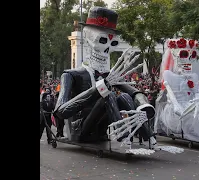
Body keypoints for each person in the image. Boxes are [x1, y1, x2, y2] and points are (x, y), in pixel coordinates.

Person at [53, 7, 158, 147]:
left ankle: (148, 136)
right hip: (80, 128)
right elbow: (60, 112)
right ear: (87, 37)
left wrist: (143, 104)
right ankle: (124, 137)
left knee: (124, 97)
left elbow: (134, 93)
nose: (107, 49)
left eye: (113, 43)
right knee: (107, 95)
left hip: (100, 128)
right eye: (102, 41)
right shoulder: (71, 75)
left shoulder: (109, 76)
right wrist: (99, 88)